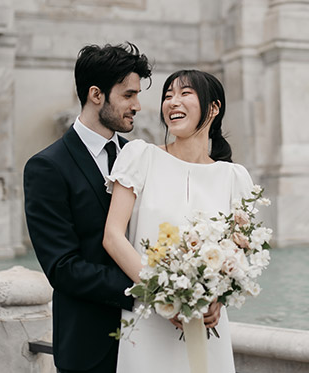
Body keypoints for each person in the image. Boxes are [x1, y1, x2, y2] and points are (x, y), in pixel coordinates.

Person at [102, 69, 254, 373]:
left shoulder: (234, 177)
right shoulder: (140, 156)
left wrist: (218, 299)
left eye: (185, 94)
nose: (173, 102)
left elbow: (240, 253)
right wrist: (164, 296)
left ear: (214, 108)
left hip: (207, 321)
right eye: (167, 95)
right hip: (148, 317)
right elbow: (113, 236)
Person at [23, 42, 153, 373]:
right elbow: (63, 268)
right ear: (96, 95)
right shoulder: (46, 167)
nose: (137, 105)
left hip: (151, 338)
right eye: (128, 95)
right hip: (89, 346)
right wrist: (147, 287)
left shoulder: (138, 157)